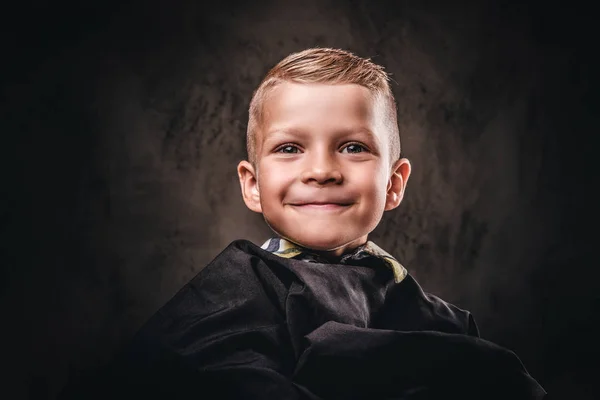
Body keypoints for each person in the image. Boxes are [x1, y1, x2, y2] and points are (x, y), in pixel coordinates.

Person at [60, 48, 547, 399]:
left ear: (395, 183)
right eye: (290, 148)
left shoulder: (440, 317)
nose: (322, 170)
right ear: (252, 184)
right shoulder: (237, 288)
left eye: (353, 147)